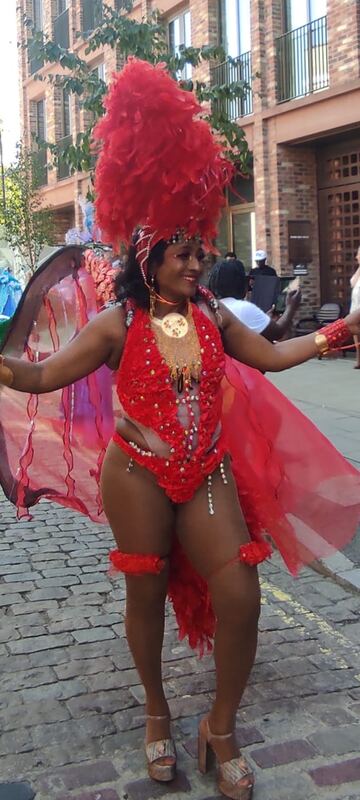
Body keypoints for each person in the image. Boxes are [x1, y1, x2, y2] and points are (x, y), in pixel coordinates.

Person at [1, 60, 360, 800]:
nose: (201, 260)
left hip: (207, 471)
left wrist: (341, 333)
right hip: (134, 474)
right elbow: (40, 378)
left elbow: (271, 357)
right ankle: (157, 711)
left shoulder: (212, 317)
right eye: (186, 250)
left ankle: (219, 726)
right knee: (146, 592)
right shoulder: (115, 323)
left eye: (202, 249)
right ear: (147, 255)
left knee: (241, 594)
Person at [209, 259, 301, 340]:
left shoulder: (209, 306)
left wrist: (264, 319)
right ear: (241, 283)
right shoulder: (243, 308)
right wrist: (291, 307)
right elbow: (277, 333)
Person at [350, 245, 360, 368]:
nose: (356, 257)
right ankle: (358, 360)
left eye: (358, 254)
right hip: (355, 308)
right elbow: (352, 283)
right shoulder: (358, 271)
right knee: (356, 335)